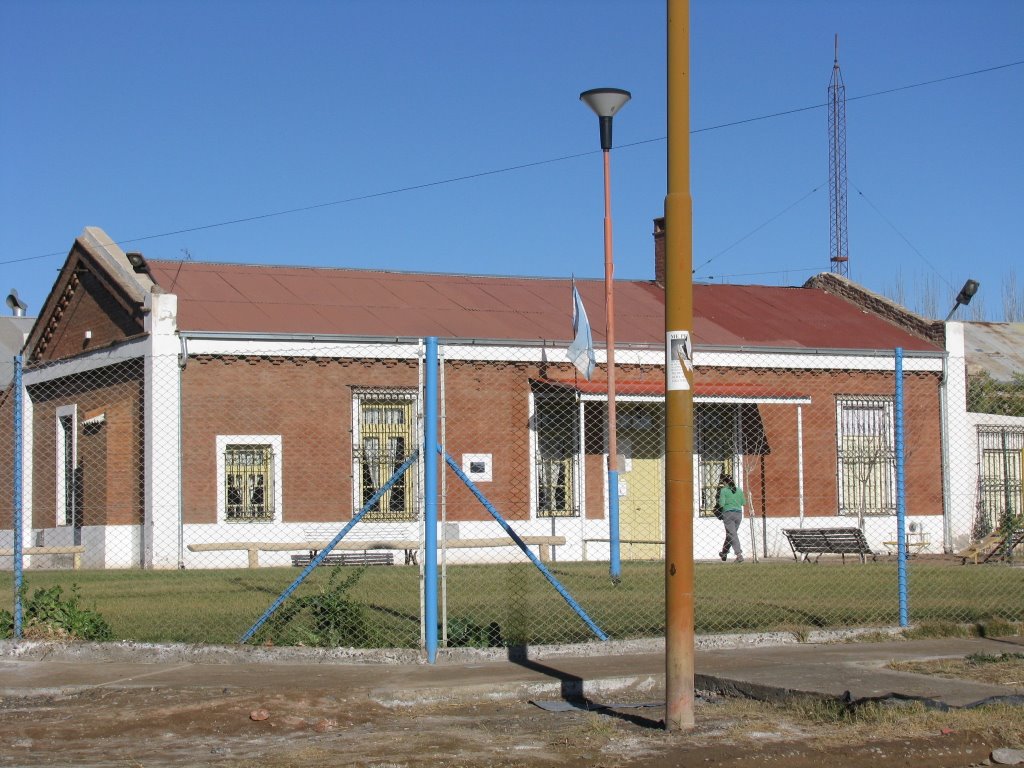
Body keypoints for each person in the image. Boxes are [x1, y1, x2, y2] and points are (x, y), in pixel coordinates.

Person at [717, 473, 745, 563]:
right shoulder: (739, 490)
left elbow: (721, 504)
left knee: (732, 534)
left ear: (725, 482)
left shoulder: (724, 490)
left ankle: (739, 554)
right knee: (731, 534)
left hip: (728, 514)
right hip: (738, 514)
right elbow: (743, 503)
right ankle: (724, 553)